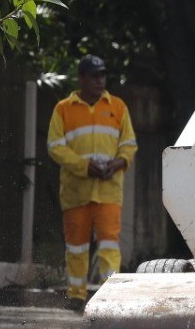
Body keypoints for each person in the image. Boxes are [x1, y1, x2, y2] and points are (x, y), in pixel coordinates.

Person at [47, 55, 138, 310]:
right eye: (95, 76)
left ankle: (109, 296)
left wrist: (116, 164)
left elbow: (129, 144)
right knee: (76, 246)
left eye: (103, 75)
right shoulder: (63, 109)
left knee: (109, 244)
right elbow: (54, 147)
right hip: (76, 192)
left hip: (108, 191)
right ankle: (76, 295)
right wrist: (85, 167)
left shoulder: (117, 107)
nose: (100, 80)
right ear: (82, 79)